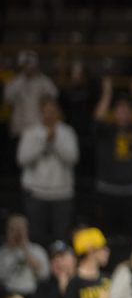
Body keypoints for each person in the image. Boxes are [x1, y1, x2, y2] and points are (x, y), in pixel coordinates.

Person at [93, 76, 132, 242]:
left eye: (127, 110)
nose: (123, 113)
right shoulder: (107, 131)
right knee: (107, 234)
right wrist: (107, 94)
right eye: (119, 110)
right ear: (114, 113)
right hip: (109, 189)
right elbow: (97, 119)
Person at [17, 97, 78, 245]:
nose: (50, 114)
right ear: (41, 112)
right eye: (47, 111)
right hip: (37, 192)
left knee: (61, 237)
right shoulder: (31, 132)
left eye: (53, 111)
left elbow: (72, 158)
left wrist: (55, 141)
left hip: (62, 193)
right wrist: (44, 142)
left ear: (58, 112)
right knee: (36, 237)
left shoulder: (67, 132)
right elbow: (22, 159)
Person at [0, 215, 50, 297]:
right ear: (7, 231)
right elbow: (2, 277)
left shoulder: (38, 250)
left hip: (32, 295)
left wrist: (25, 250)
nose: (17, 234)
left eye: (20, 229)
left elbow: (44, 275)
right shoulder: (2, 252)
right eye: (13, 230)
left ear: (27, 231)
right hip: (8, 294)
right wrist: (12, 251)